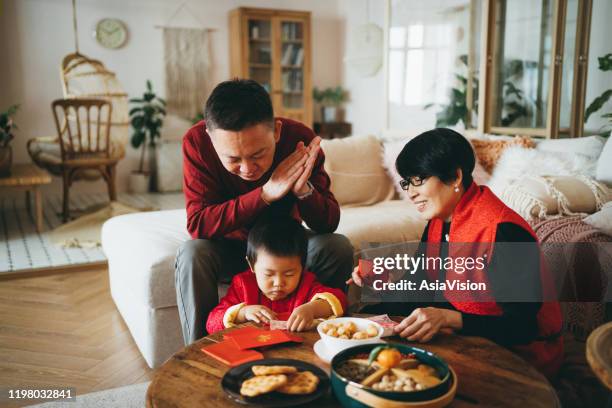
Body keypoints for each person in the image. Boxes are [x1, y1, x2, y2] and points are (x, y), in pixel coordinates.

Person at [349, 128, 563, 378]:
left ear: (455, 177)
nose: (410, 192)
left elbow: (522, 327)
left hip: (523, 355)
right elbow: (417, 287)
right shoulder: (439, 221)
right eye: (407, 182)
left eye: (419, 179)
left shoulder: (504, 232)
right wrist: (377, 283)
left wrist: (449, 318)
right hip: (472, 334)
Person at [175, 79, 353, 344]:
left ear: (277, 132)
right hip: (228, 248)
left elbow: (328, 223)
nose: (247, 169)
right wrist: (265, 193)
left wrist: (303, 191)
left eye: (258, 154)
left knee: (336, 245)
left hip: (284, 248)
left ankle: (324, 342)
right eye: (233, 159)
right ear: (211, 140)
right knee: (192, 254)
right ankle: (201, 353)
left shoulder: (299, 141)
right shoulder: (196, 143)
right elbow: (199, 224)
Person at [206, 217, 347, 334]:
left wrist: (311, 309)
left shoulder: (306, 283)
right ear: (251, 265)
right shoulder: (242, 285)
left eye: (289, 274)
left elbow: (340, 300)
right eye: (268, 274)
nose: (278, 282)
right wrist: (243, 313)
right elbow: (211, 323)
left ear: (302, 267)